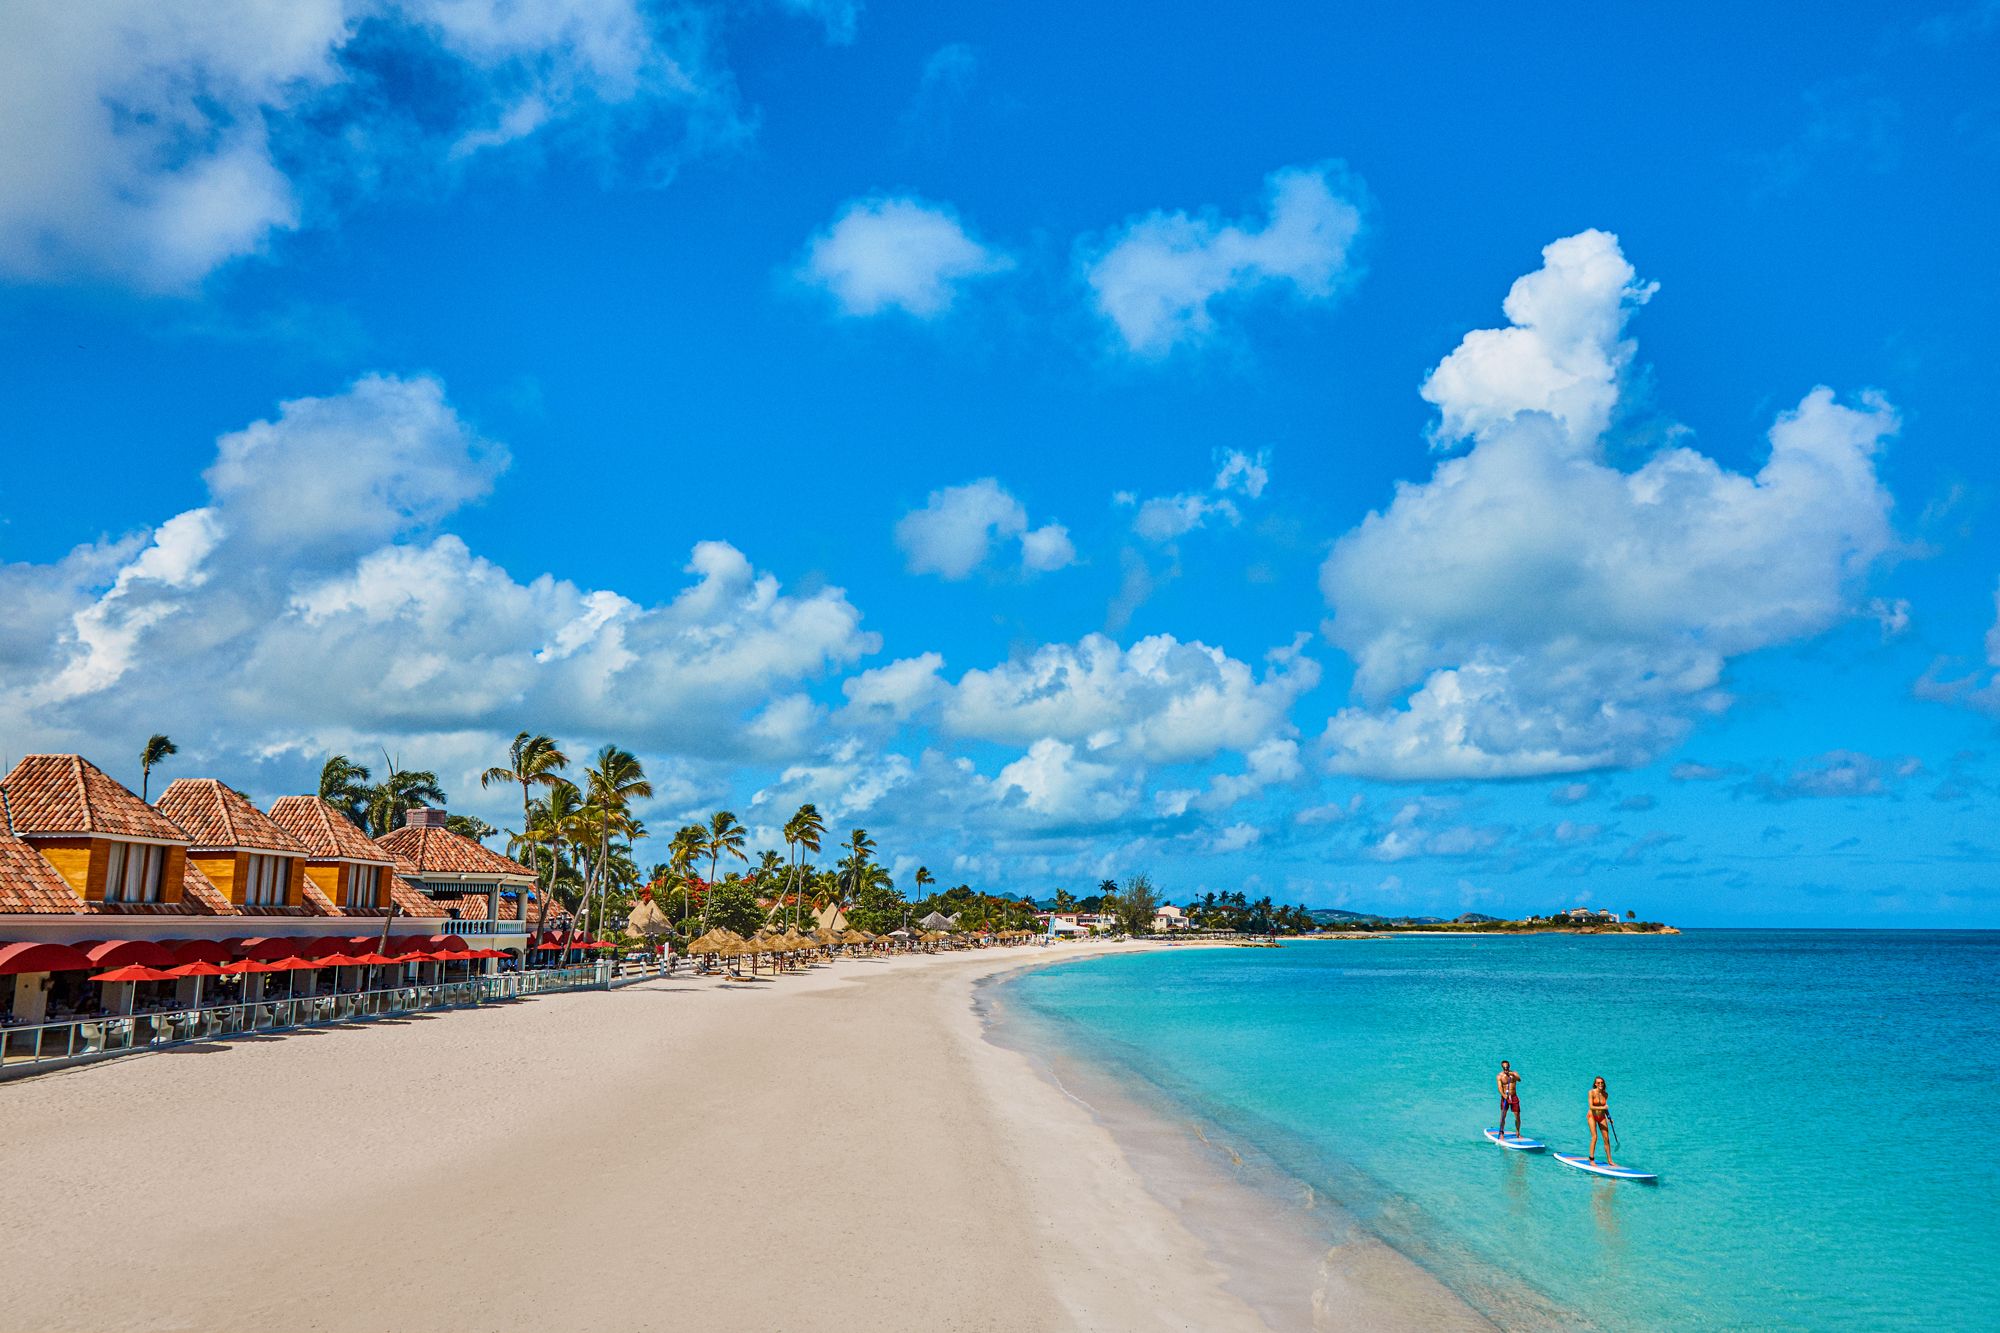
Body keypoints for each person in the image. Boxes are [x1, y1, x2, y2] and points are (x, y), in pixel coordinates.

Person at [1588, 1076, 1616, 1165]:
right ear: (1595, 1084)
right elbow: (1591, 1107)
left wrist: (1609, 1117)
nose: (1600, 1084)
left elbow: (1605, 1108)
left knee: (1606, 1139)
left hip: (1602, 1117)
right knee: (1594, 1137)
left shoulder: (1605, 1094)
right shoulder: (1591, 1092)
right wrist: (1603, 1107)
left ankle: (1610, 1160)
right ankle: (1591, 1159)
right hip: (1592, 1116)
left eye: (1602, 1083)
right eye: (1598, 1083)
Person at [1496, 1060, 1523, 1136]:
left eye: (1507, 1067)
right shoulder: (1499, 1076)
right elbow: (1499, 1088)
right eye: (1504, 1068)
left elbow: (1519, 1080)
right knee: (1503, 1115)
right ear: (1502, 1068)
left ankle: (1517, 1132)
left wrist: (1512, 1074)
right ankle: (1501, 1131)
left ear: (1509, 1066)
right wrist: (1504, 1095)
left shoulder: (1514, 1073)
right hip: (1505, 1097)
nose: (1506, 1069)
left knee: (1517, 1115)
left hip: (1514, 1096)